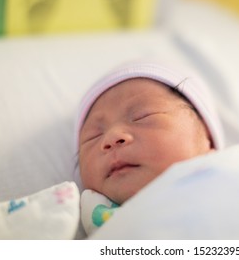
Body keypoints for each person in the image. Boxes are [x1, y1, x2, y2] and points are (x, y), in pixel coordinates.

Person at [74, 60, 224, 206]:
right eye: (93, 136)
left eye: (142, 116)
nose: (112, 137)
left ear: (207, 136)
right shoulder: (67, 216)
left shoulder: (237, 177)